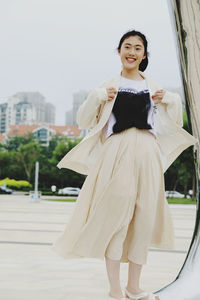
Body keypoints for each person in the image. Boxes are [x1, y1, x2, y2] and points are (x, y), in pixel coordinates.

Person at [51, 30, 198, 300]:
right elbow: (84, 121)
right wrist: (97, 97)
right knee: (116, 218)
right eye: (127, 47)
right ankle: (115, 289)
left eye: (137, 48)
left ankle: (133, 287)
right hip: (117, 152)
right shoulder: (108, 86)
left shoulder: (154, 88)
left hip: (148, 153)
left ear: (144, 55)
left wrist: (171, 100)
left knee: (143, 218)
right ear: (118, 51)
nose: (132, 52)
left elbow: (172, 123)